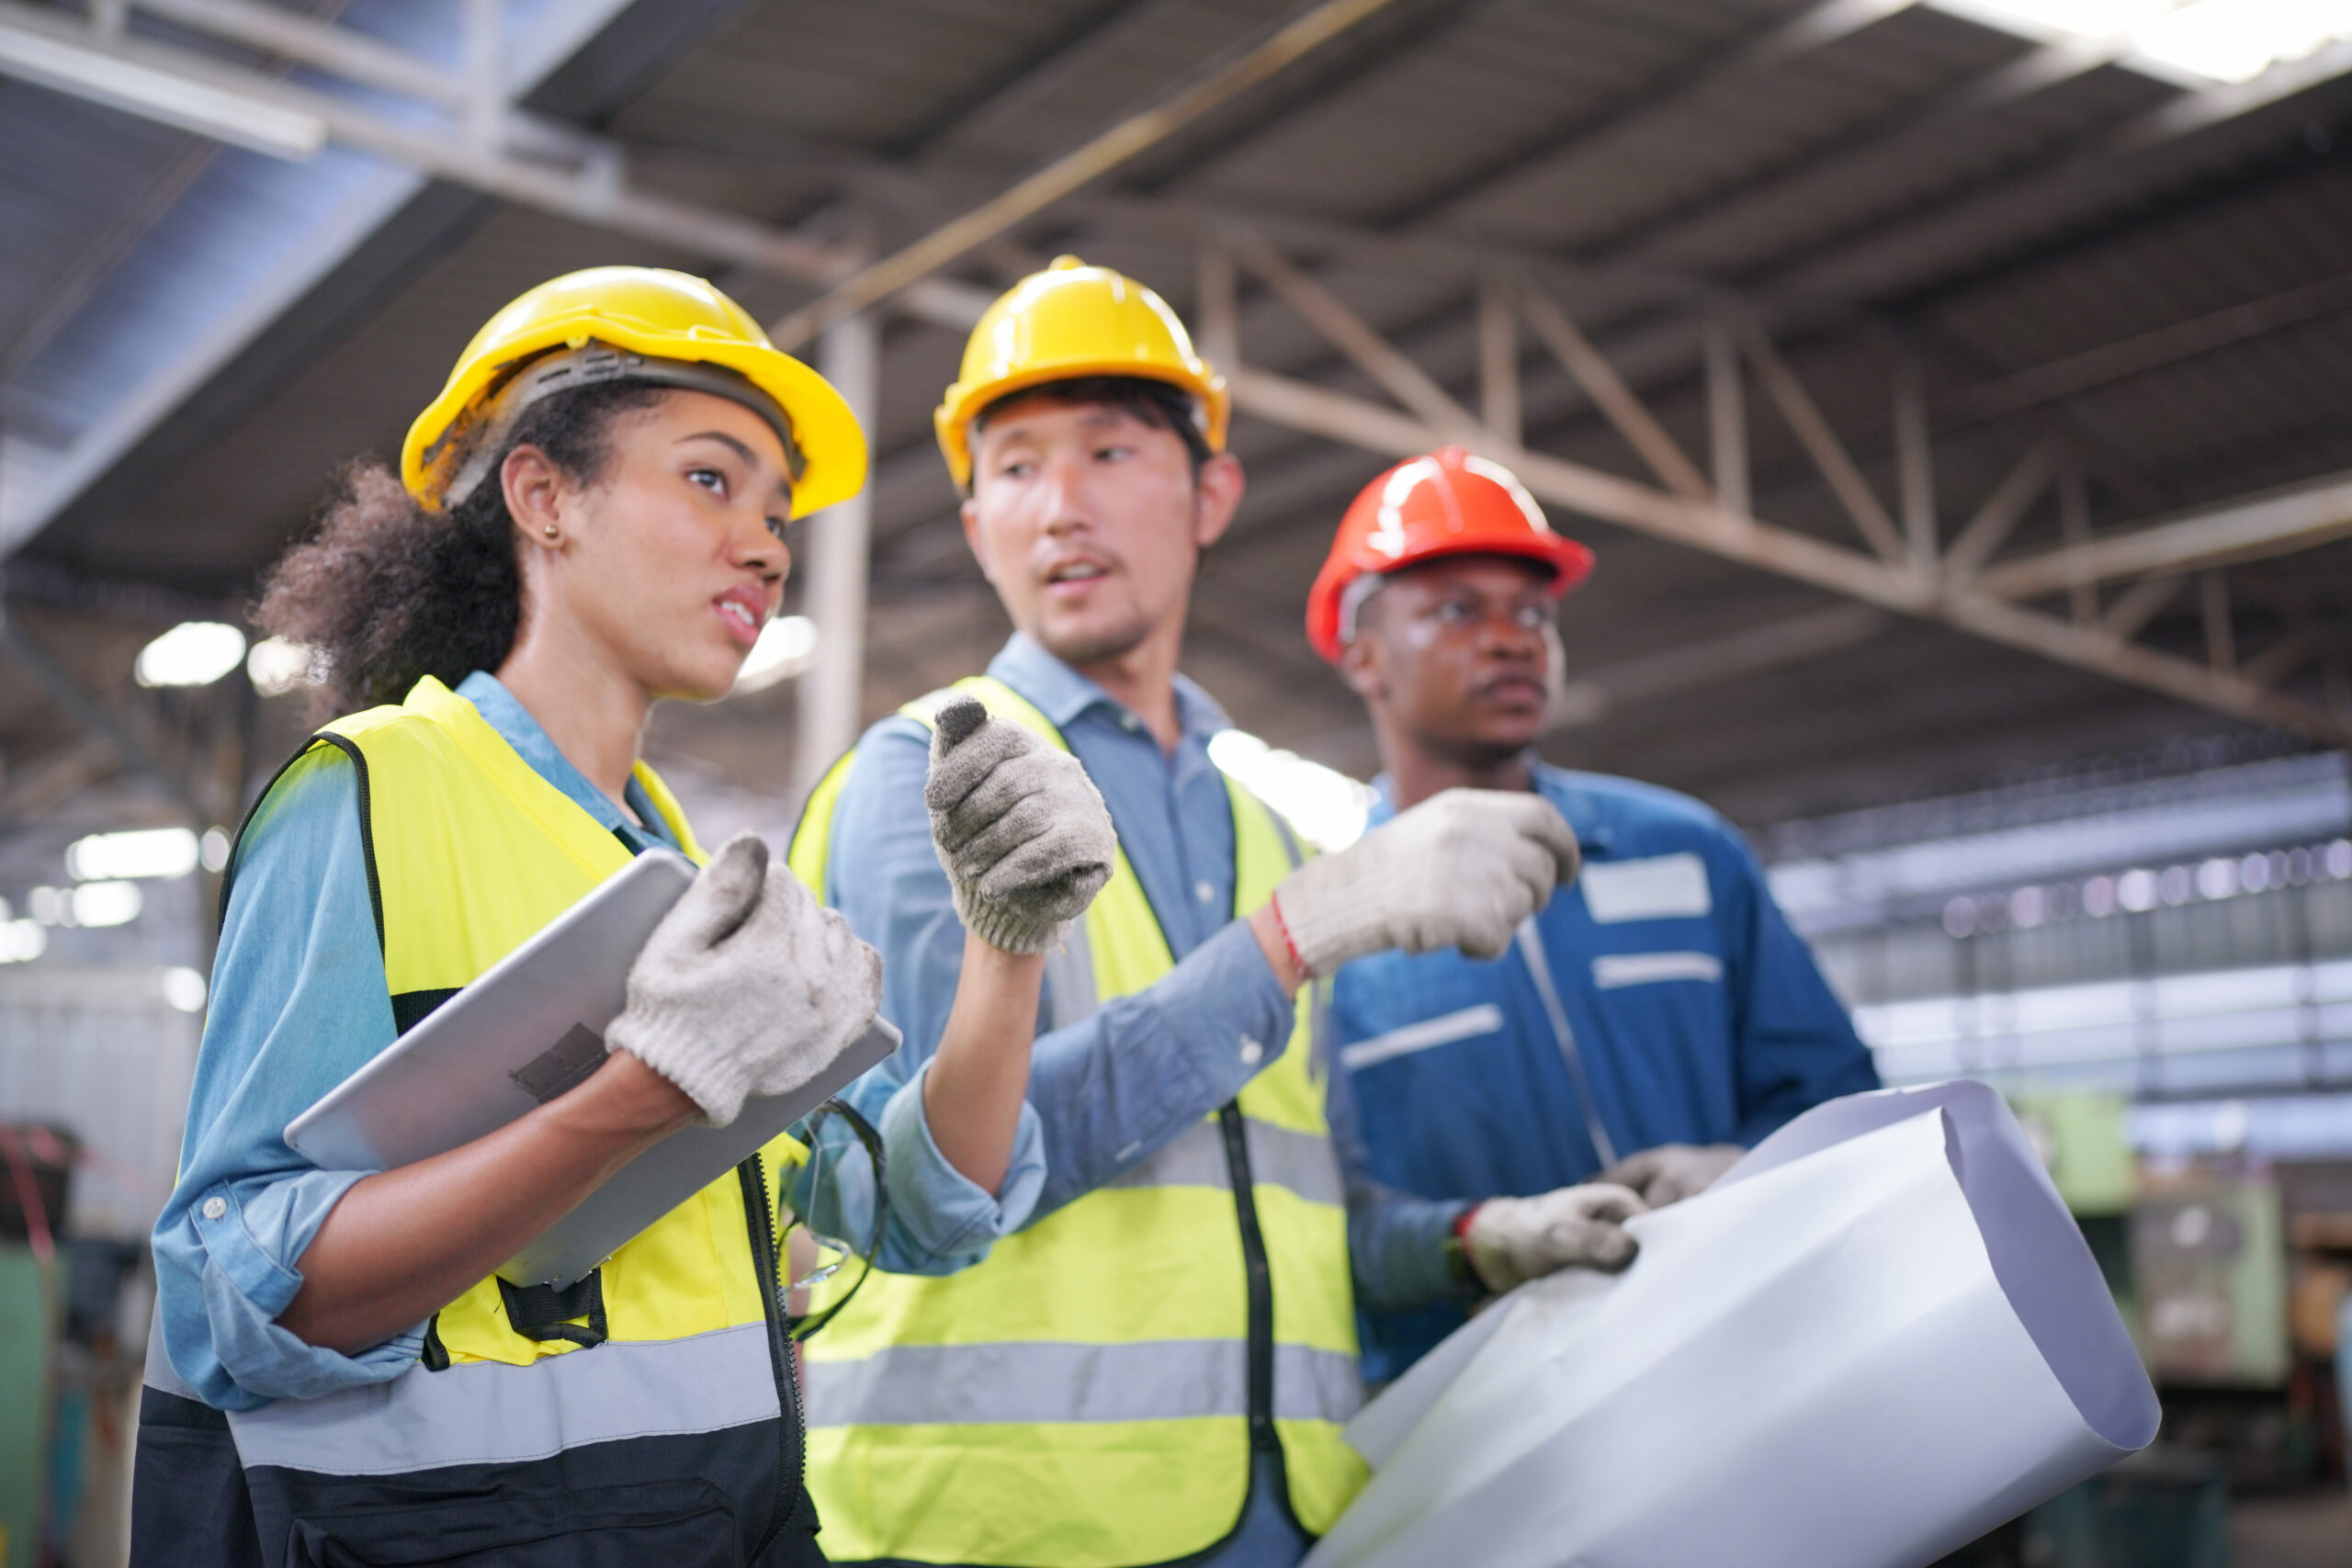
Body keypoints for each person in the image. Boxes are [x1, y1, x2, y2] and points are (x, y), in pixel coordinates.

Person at [131, 266, 1115, 1568]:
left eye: (776, 512)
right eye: (711, 479)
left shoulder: (681, 872)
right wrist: (640, 1093)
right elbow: (233, 1296)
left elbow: (915, 1209)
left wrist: (1008, 941)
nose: (766, 544)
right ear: (544, 497)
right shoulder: (372, 794)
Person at [786, 256, 1585, 1568]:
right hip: (1010, 1525)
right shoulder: (932, 775)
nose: (1060, 508)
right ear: (976, 520)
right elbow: (934, 1185)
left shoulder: (1266, 823)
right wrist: (1291, 939)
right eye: (1016, 469)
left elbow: (1286, 1211)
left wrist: (1474, 1239)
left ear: (1212, 494)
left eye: (1107, 450)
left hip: (1287, 1516)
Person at [1306, 446, 1883, 1383]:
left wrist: (1741, 1163)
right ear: (1361, 654)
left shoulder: (1685, 853)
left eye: (1533, 612)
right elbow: (1325, 1218)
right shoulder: (1337, 928)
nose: (1511, 637)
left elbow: (1837, 1091)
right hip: (1470, 1418)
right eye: (1457, 609)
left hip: (1732, 1361)